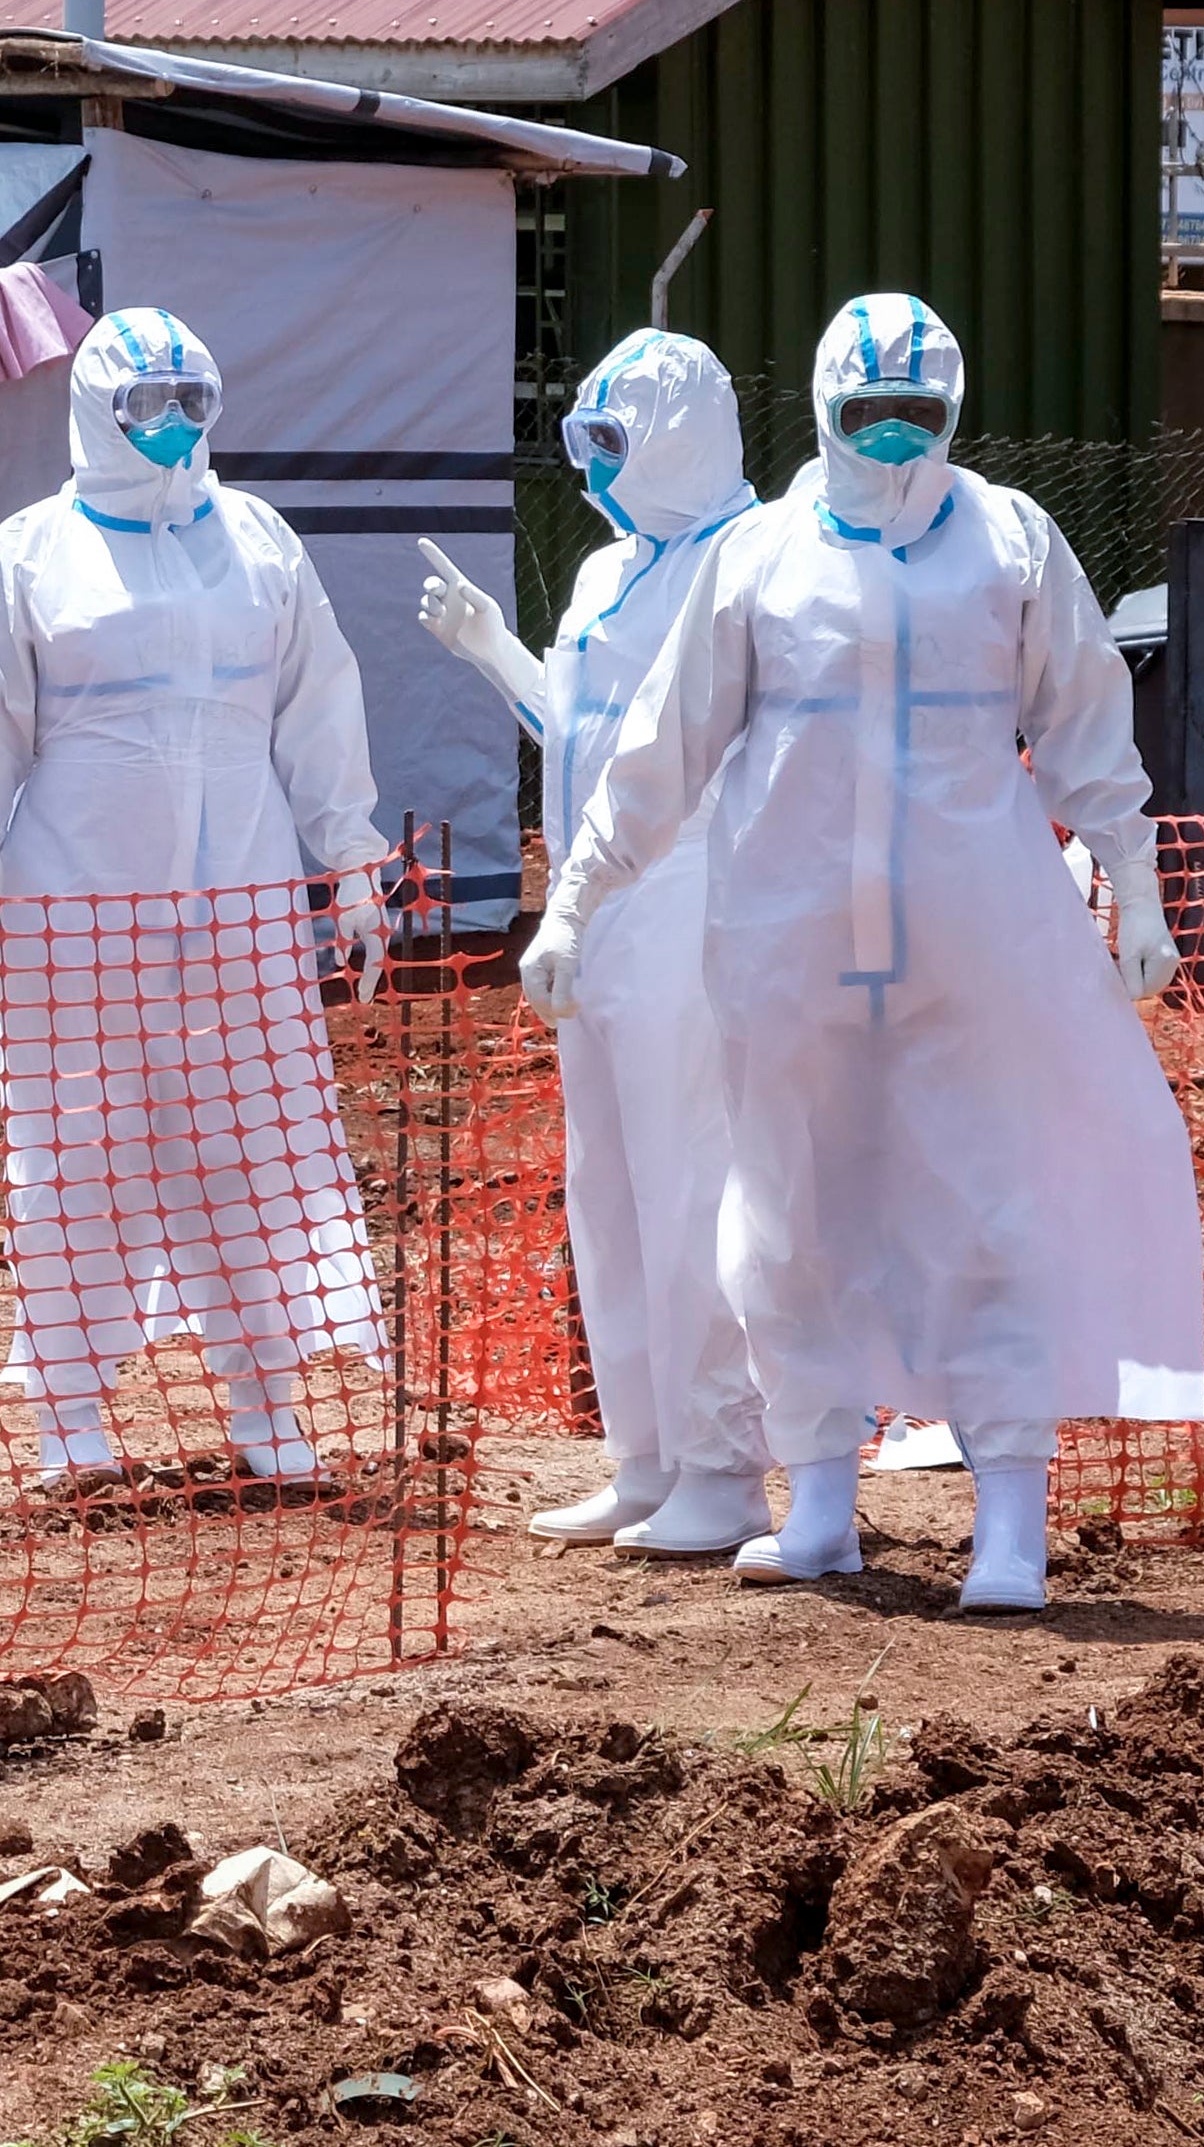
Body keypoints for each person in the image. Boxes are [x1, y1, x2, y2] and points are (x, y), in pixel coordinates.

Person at [517, 292, 1201, 1612]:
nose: (892, 442)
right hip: (788, 949)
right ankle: (816, 1496)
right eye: (864, 415)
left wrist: (1139, 889)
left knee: (988, 1208)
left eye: (918, 415)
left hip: (977, 949)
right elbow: (665, 750)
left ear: (954, 410)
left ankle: (1011, 1517)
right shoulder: (763, 555)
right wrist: (578, 897)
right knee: (790, 1211)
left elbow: (1087, 728)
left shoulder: (1009, 541)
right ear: (824, 412)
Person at [0, 309, 393, 1488]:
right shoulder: (29, 551)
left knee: (251, 1138)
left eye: (194, 401)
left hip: (238, 891)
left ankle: (264, 1403)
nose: (174, 427)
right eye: (148, 406)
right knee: (77, 1147)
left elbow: (317, 706)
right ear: (95, 409)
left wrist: (347, 858)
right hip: (77, 895)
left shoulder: (261, 543)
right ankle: (71, 1416)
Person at [414, 329, 772, 1555]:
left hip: (692, 902)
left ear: (677, 436)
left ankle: (725, 1466)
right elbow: (582, 729)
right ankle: (646, 1457)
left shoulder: (748, 561)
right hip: (592, 910)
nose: (591, 467)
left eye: (610, 442)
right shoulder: (608, 571)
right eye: (581, 441)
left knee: (691, 1184)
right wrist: (492, 654)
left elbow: (697, 749)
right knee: (608, 1188)